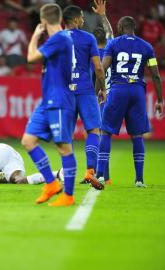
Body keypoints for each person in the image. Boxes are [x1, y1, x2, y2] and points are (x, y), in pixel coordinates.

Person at [21, 3, 101, 207]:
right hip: (48, 100)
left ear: (43, 20)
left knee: (63, 148)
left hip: (59, 100)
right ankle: (51, 183)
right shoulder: (60, 39)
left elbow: (31, 57)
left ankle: (68, 195)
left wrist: (35, 36)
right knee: (28, 141)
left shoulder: (59, 39)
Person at [95, 16, 164, 188]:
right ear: (134, 28)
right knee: (137, 135)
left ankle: (101, 176)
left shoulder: (114, 44)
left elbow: (102, 68)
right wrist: (160, 100)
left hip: (118, 89)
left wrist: (101, 90)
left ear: (120, 27)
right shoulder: (147, 47)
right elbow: (155, 74)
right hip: (137, 92)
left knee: (106, 132)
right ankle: (139, 179)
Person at [62, 3, 106, 184]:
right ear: (74, 19)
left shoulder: (57, 38)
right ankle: (90, 172)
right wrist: (102, 88)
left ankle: (67, 173)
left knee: (67, 133)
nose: (83, 19)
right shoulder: (88, 38)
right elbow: (98, 67)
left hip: (65, 91)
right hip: (86, 90)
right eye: (81, 16)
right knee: (94, 130)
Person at [90, 0, 114, 185]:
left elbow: (95, 75)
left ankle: (99, 174)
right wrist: (103, 15)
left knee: (96, 136)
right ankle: (105, 176)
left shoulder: (91, 54)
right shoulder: (112, 47)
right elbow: (111, 32)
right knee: (104, 136)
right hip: (113, 93)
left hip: (97, 96)